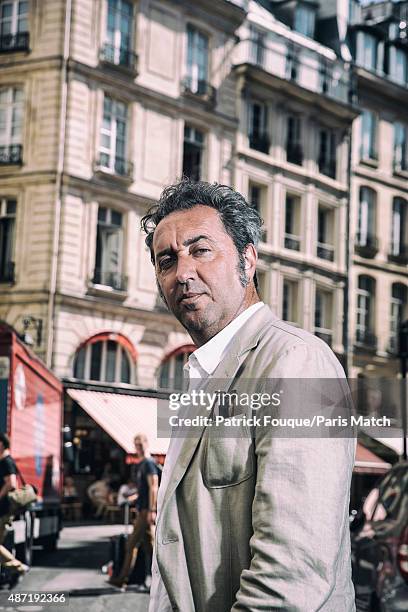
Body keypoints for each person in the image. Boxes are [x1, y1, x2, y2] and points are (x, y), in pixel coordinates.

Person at [141, 178, 356, 611]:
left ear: (248, 259)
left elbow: (289, 577)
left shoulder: (296, 362)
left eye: (201, 250)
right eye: (167, 260)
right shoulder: (205, 372)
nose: (183, 273)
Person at [109, 433, 159, 590]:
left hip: (146, 511)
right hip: (142, 509)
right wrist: (133, 498)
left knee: (131, 544)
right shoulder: (142, 464)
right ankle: (161, 581)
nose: (139, 447)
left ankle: (122, 579)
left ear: (146, 444)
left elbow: (154, 487)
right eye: (136, 445)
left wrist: (152, 510)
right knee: (151, 548)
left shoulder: (149, 463)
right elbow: (144, 489)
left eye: (141, 444)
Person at [0, 433, 29, 578]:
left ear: (1, 444)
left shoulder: (6, 462)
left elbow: (11, 483)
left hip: (2, 509)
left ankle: (18, 566)